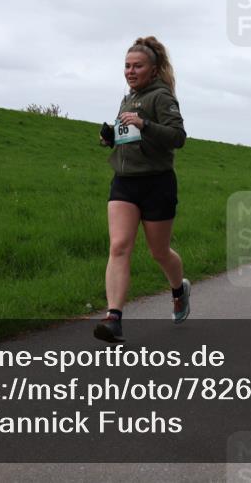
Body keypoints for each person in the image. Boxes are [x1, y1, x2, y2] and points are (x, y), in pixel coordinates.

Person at [94, 36, 189, 343]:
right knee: (119, 246)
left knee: (159, 252)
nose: (130, 71)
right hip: (124, 180)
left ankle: (178, 289)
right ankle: (114, 318)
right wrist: (112, 138)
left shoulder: (162, 97)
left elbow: (177, 136)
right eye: (127, 66)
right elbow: (131, 135)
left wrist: (145, 124)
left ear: (154, 68)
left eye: (137, 66)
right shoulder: (127, 98)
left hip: (157, 183)